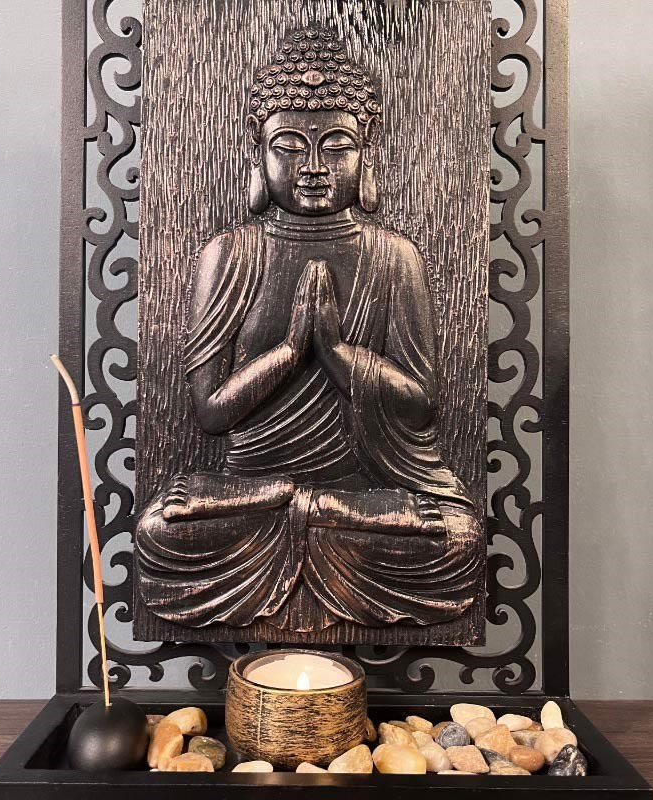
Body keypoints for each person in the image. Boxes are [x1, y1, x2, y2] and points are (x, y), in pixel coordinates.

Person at [135, 27, 485, 634]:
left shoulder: (392, 256)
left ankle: (303, 507)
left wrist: (340, 354)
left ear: (365, 156)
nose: (315, 167)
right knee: (157, 531)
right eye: (290, 145)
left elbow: (422, 405)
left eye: (338, 145)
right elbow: (212, 413)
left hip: (358, 495)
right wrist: (292, 352)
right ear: (260, 156)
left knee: (457, 537)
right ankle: (291, 505)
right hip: (249, 486)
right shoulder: (231, 254)